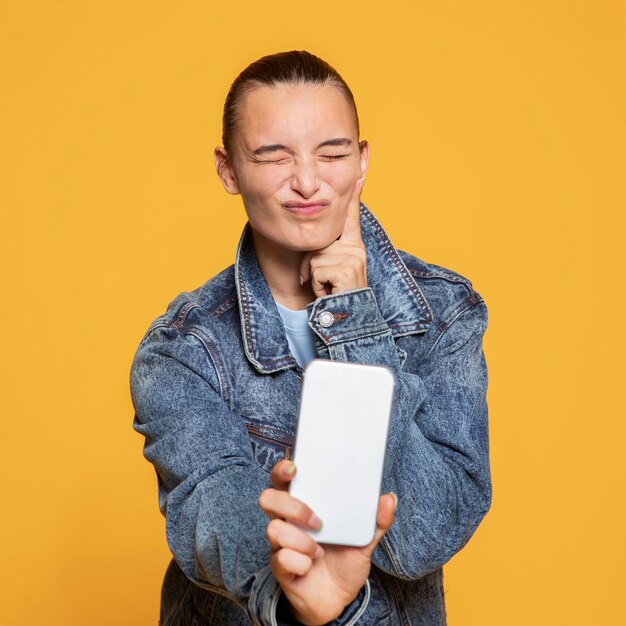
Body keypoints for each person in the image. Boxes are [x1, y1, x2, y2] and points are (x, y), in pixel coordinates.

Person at [130, 50, 492, 626]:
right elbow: (212, 509)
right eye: (273, 156)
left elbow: (425, 536)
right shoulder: (182, 351)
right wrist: (291, 582)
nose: (307, 181)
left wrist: (356, 320)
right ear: (228, 170)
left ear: (363, 160)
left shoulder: (445, 313)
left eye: (332, 153)